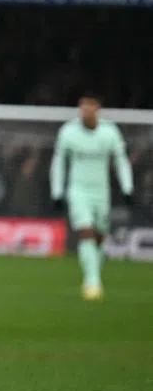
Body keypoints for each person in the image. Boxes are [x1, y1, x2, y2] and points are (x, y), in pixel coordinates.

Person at [50, 93, 133, 301]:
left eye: (90, 105)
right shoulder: (68, 132)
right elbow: (59, 162)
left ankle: (94, 273)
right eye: (82, 105)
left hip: (101, 192)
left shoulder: (110, 132)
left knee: (99, 236)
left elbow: (120, 160)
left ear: (98, 108)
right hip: (78, 190)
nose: (85, 110)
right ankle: (92, 282)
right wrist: (57, 191)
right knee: (85, 230)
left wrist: (127, 187)